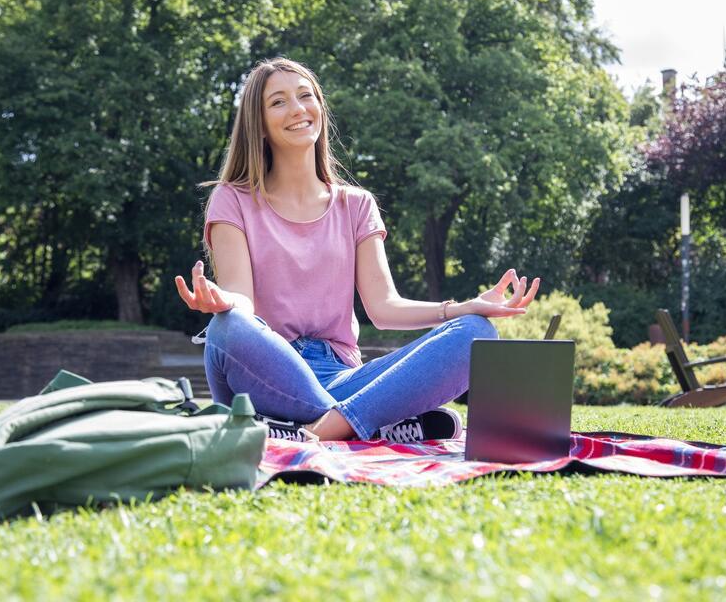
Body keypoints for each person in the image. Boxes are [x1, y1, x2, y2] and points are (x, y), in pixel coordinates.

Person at [175, 58, 539, 443]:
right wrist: (221, 300)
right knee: (228, 327)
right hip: (268, 369)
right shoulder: (232, 199)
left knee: (476, 333)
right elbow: (242, 304)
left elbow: (383, 308)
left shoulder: (356, 205)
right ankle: (372, 420)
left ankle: (319, 428)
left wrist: (461, 307)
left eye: (305, 96)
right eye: (278, 102)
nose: (298, 109)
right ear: (258, 124)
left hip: (343, 375)